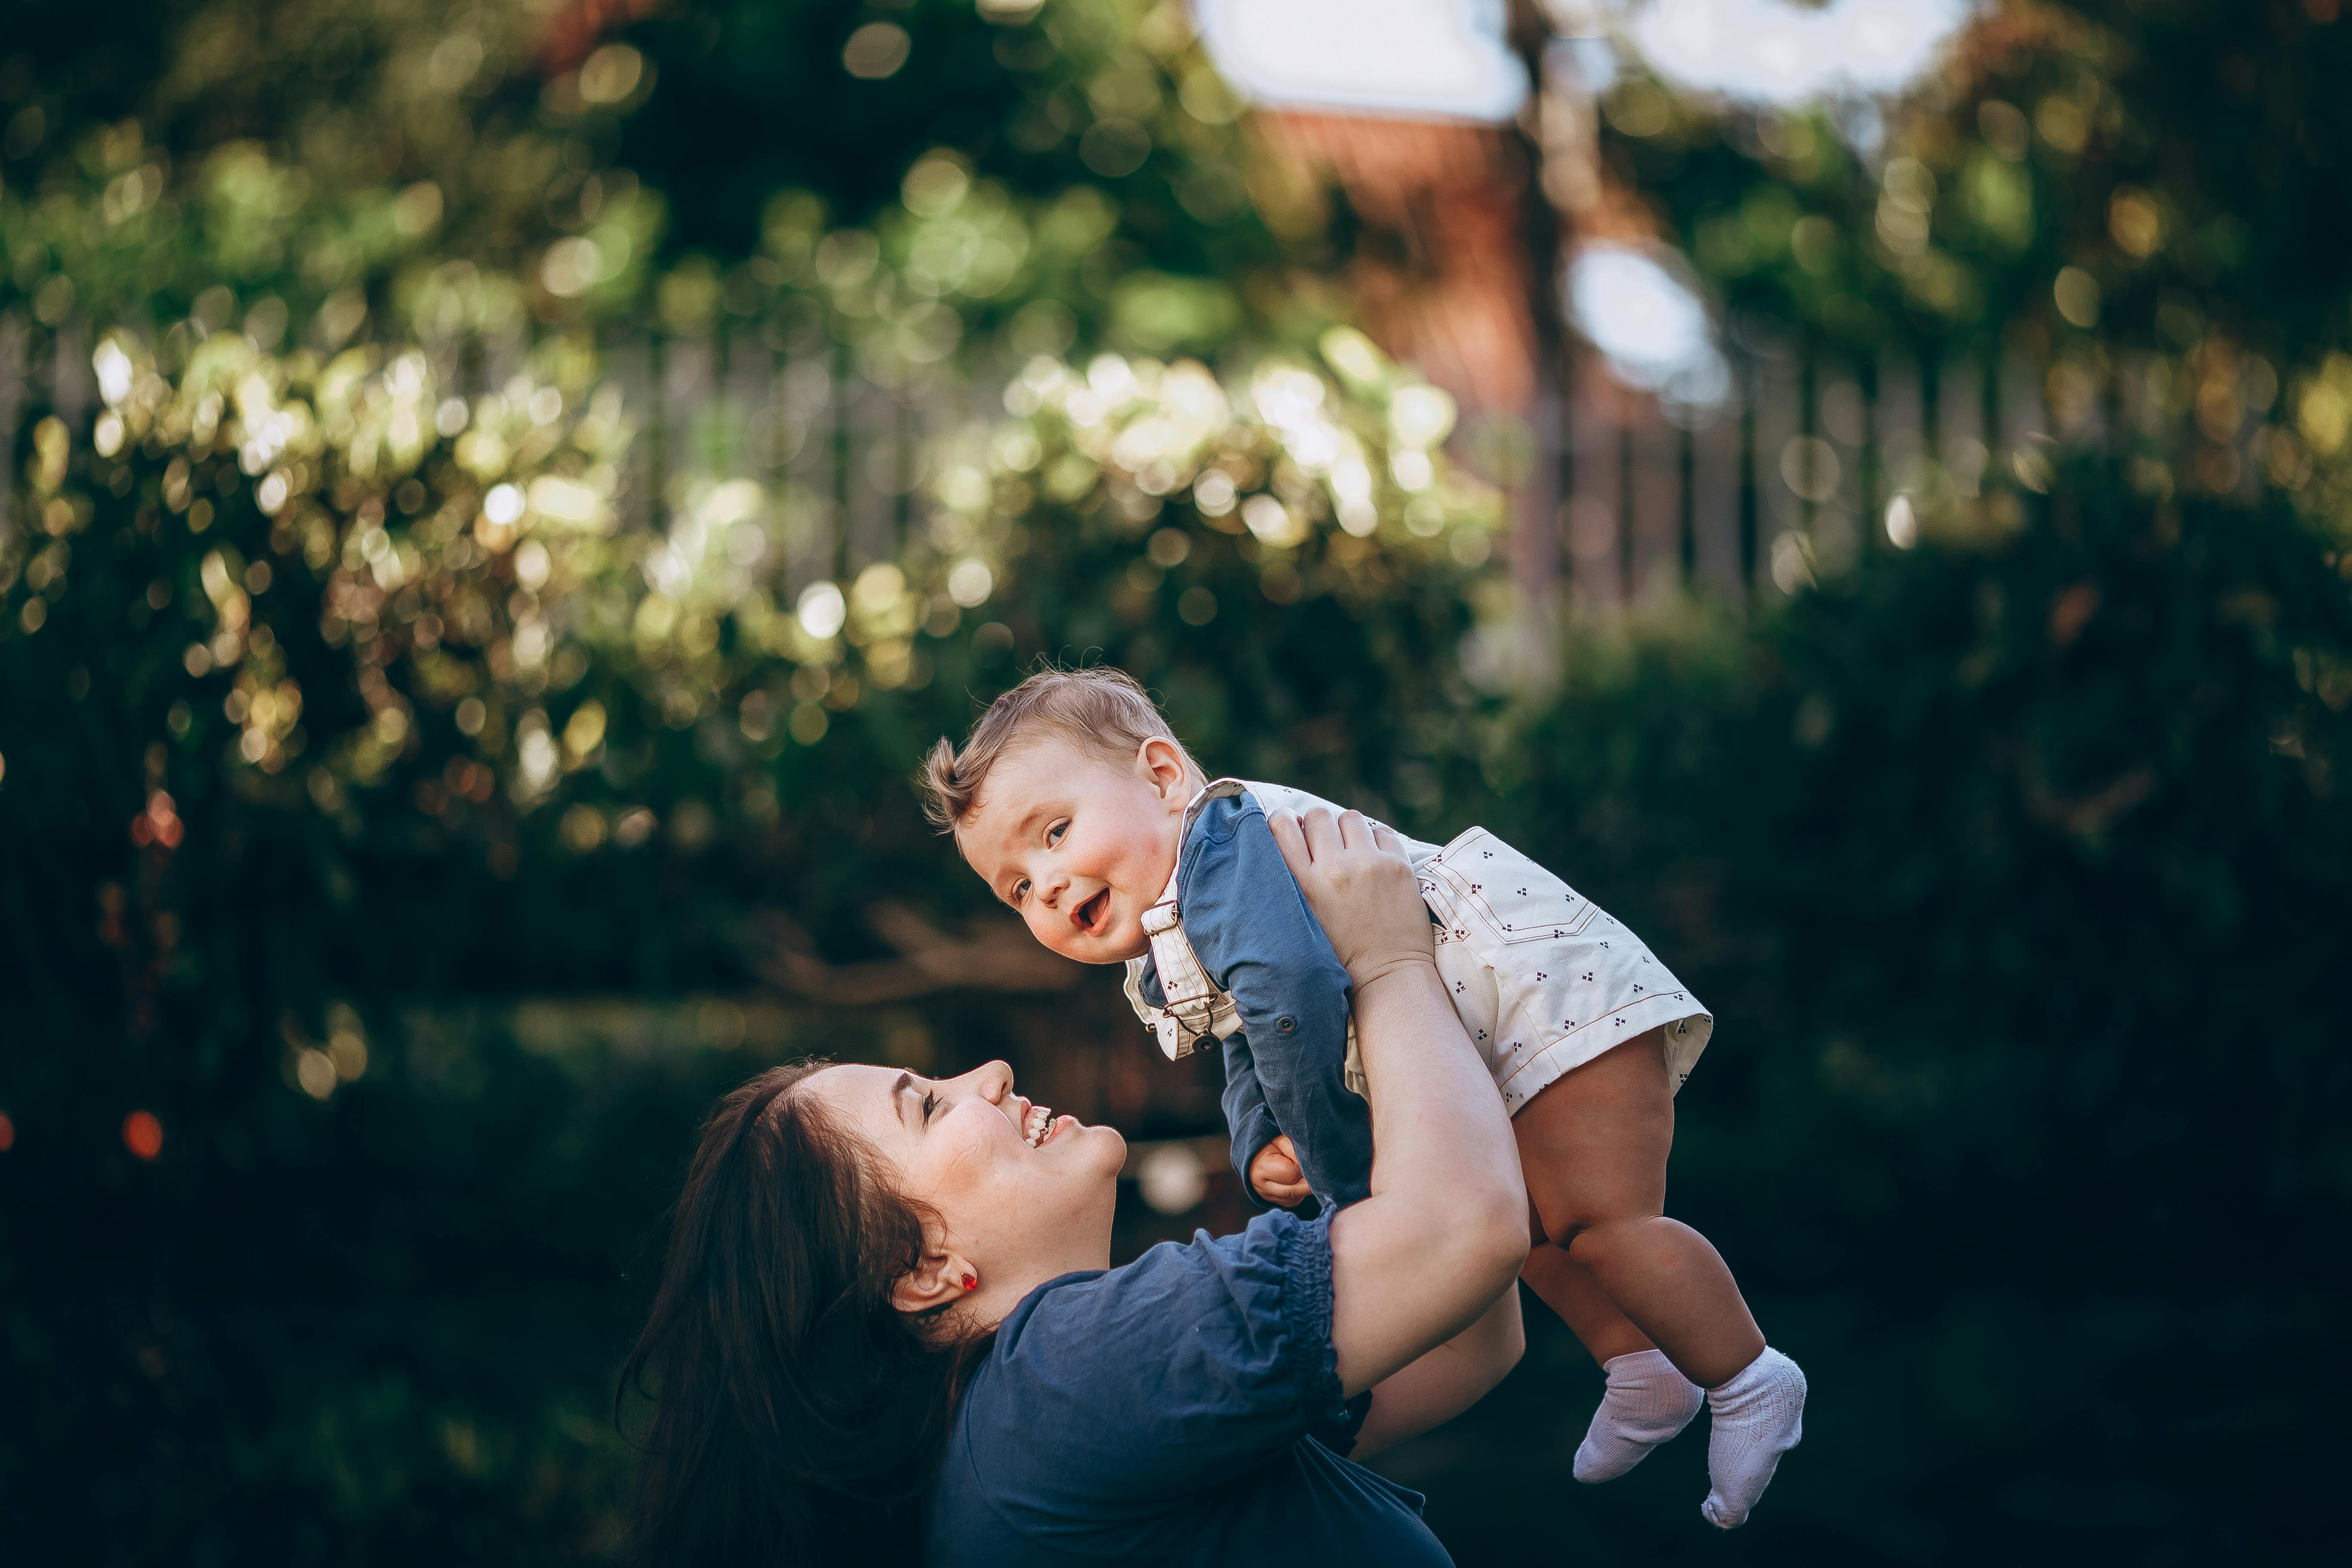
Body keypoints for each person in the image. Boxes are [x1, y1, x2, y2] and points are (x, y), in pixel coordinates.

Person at [924, 667, 1806, 1528]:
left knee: (1602, 1222)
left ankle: (1747, 1375)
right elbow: (1248, 1033)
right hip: (1492, 1031)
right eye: (1016, 890)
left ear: (1161, 778)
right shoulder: (1186, 910)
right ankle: (1641, 1366)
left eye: (1054, 834)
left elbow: (1298, 994)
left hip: (1546, 998)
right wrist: (1261, 1137)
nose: (1045, 886)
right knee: (1534, 1231)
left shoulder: (1224, 852)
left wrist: (1349, 1181)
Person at [620, 806, 1530, 1566]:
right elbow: (1466, 1233)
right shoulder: (1061, 1384)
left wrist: (1328, 1079)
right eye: (930, 1110)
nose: (993, 1073)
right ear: (921, 1269)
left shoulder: (1026, 1436)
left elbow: (1466, 1338)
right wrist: (1388, 962)